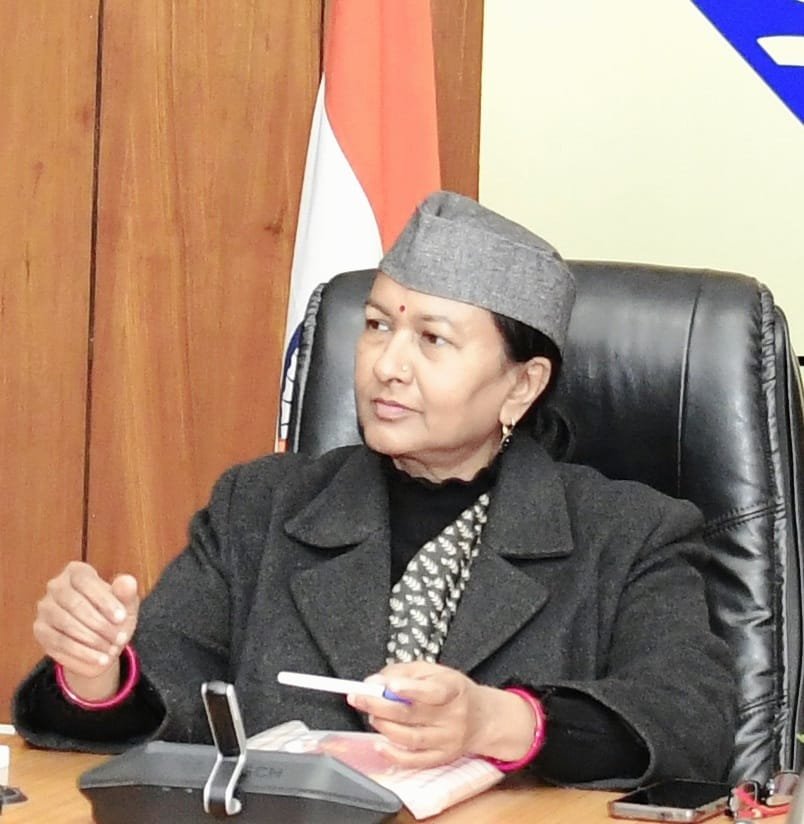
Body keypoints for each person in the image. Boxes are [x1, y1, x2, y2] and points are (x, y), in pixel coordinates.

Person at [13, 191, 737, 788]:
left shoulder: (629, 533)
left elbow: (692, 721)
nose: (387, 364)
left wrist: (494, 722)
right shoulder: (261, 506)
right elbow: (172, 689)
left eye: (432, 339)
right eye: (376, 325)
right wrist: (98, 672)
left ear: (522, 385)